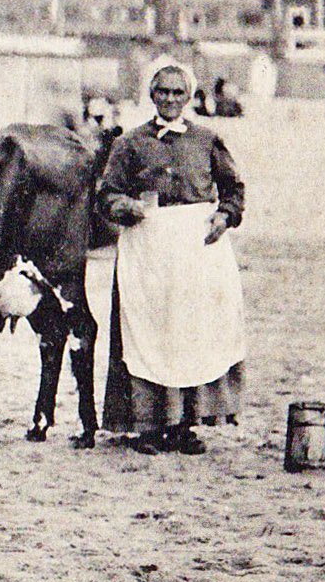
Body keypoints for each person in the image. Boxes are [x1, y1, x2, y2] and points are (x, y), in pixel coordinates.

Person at [98, 61, 247, 456]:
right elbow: (106, 194)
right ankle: (145, 425)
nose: (169, 99)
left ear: (189, 97)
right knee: (147, 330)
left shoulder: (207, 140)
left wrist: (223, 216)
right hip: (146, 249)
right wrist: (124, 205)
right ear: (151, 94)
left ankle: (184, 424)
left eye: (177, 92)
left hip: (194, 251)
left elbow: (233, 189)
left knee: (189, 329)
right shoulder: (129, 144)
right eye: (162, 91)